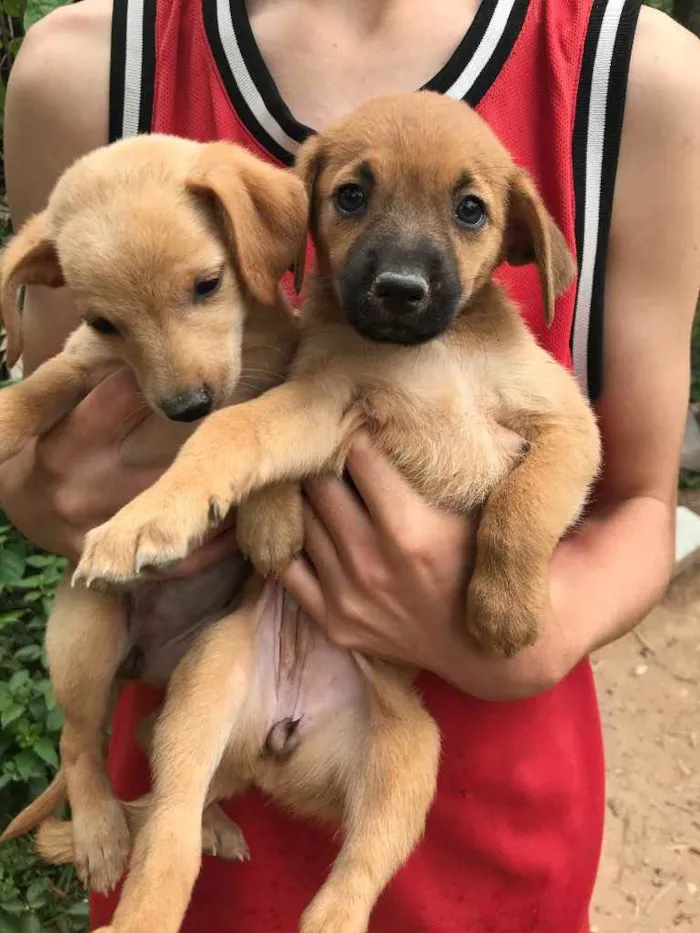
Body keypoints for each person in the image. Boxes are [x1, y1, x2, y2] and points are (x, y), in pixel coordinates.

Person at [2, 0, 699, 929]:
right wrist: (70, 499)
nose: (405, 269)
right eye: (354, 199)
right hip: (210, 730)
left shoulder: (641, 77)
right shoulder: (86, 70)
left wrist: (514, 616)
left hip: (483, 806)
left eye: (467, 213)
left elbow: (640, 496)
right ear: (294, 225)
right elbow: (54, 447)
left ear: (518, 240)